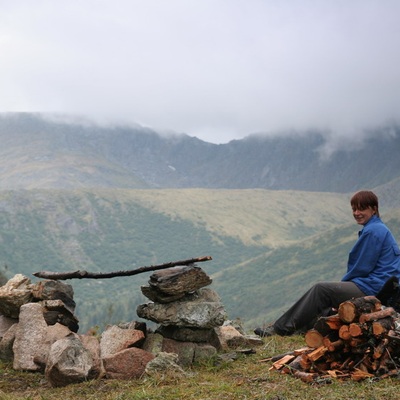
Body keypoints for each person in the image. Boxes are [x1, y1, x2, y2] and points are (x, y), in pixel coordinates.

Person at [254, 190, 400, 337]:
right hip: (379, 287)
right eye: (354, 209)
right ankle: (299, 329)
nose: (356, 213)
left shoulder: (373, 231)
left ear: (374, 209)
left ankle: (279, 329)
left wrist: (340, 292)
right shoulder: (378, 228)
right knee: (326, 306)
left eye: (361, 208)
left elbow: (361, 268)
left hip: (373, 288)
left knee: (322, 290)